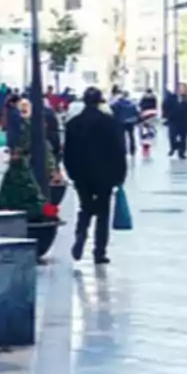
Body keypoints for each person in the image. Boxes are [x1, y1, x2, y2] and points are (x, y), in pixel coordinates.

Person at [63, 87, 128, 264]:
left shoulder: (73, 123)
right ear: (100, 101)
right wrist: (120, 175)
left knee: (85, 207)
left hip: (82, 175)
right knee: (103, 213)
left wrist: (72, 173)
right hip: (105, 176)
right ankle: (99, 251)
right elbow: (119, 150)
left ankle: (81, 235)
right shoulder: (110, 123)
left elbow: (67, 153)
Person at [164, 83, 187, 159]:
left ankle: (182, 152)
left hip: (184, 121)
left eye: (183, 88)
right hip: (173, 120)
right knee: (172, 135)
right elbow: (165, 106)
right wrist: (167, 115)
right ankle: (173, 147)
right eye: (180, 88)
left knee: (183, 137)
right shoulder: (171, 97)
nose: (182, 90)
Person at [111, 90, 140, 156]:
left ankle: (123, 150)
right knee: (131, 136)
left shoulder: (117, 103)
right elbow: (136, 112)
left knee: (122, 137)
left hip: (121, 122)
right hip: (130, 122)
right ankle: (132, 150)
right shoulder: (132, 103)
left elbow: (113, 110)